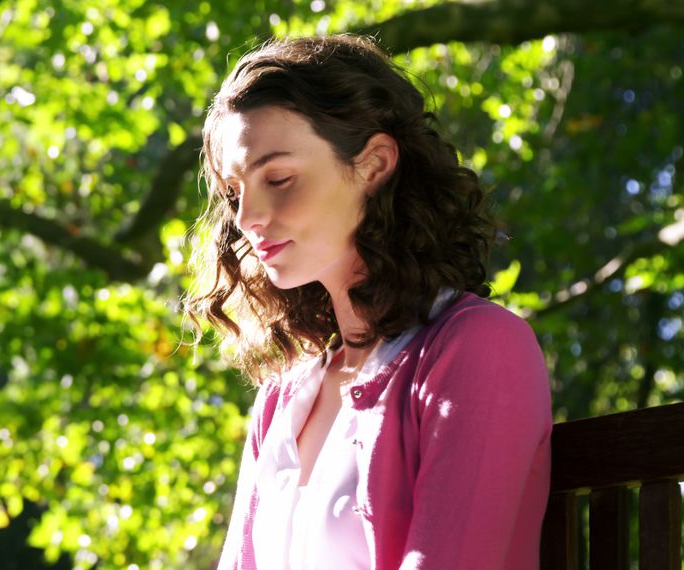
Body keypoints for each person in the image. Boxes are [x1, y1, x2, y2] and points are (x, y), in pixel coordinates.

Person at [185, 35, 552, 569]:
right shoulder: (283, 399)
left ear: (374, 163)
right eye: (236, 193)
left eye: (279, 178)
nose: (247, 219)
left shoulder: (480, 348)